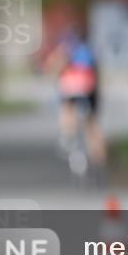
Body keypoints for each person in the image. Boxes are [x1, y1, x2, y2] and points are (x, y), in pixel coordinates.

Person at [46, 27, 107, 181]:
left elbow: (53, 67)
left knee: (66, 109)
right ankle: (99, 160)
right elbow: (97, 73)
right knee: (92, 125)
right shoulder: (89, 50)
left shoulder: (66, 49)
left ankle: (68, 136)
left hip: (72, 88)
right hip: (89, 89)